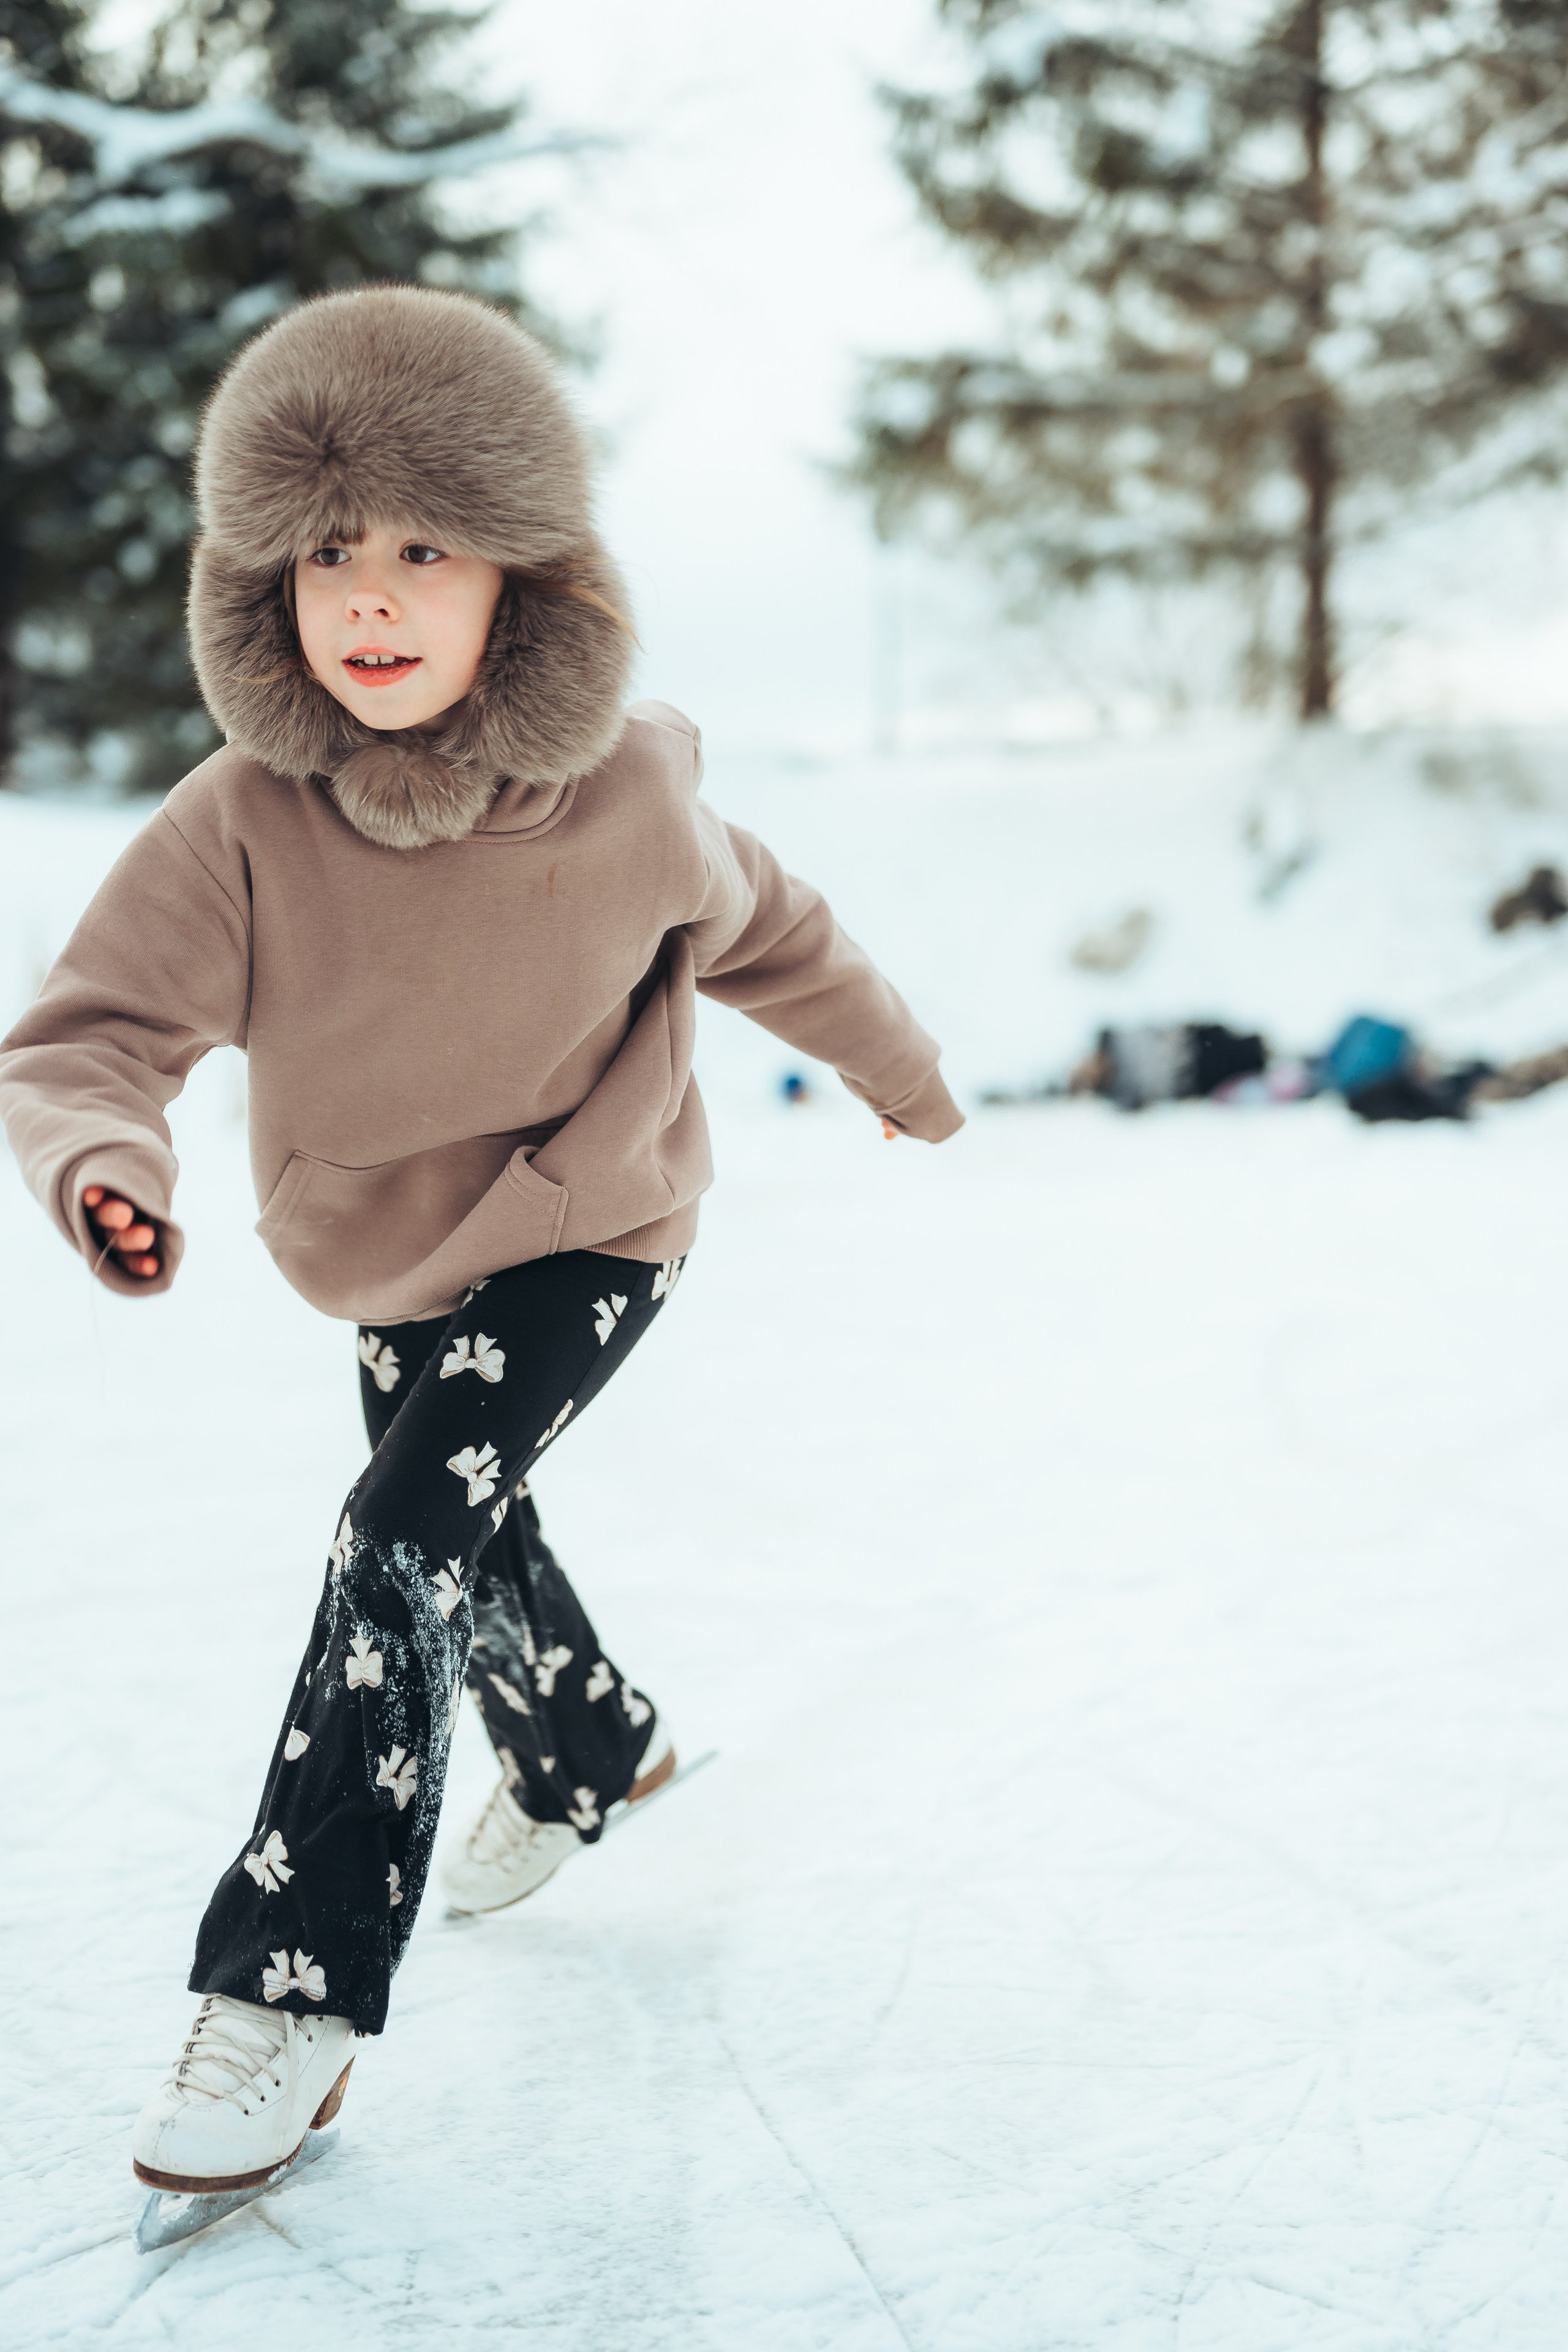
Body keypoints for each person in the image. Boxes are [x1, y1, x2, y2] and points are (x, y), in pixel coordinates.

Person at [0, 288, 962, 2206]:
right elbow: (93, 1035)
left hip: (598, 1225)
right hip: (384, 1248)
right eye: (327, 553)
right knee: (469, 1523)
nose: (369, 595)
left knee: (402, 1536)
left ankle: (289, 1983)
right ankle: (591, 1743)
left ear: (521, 573)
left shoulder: (633, 793)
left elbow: (782, 932)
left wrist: (899, 1071)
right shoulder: (239, 828)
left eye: (423, 548)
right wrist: (112, 1161)